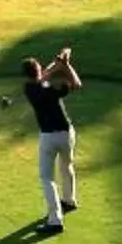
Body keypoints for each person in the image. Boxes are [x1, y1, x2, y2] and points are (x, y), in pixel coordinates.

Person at [20, 48, 82, 233]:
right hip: (66, 133)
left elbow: (43, 75)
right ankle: (69, 201)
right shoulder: (52, 88)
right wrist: (66, 65)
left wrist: (59, 62)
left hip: (48, 137)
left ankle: (55, 220)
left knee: (47, 178)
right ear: (38, 70)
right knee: (67, 166)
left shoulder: (29, 88)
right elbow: (77, 84)